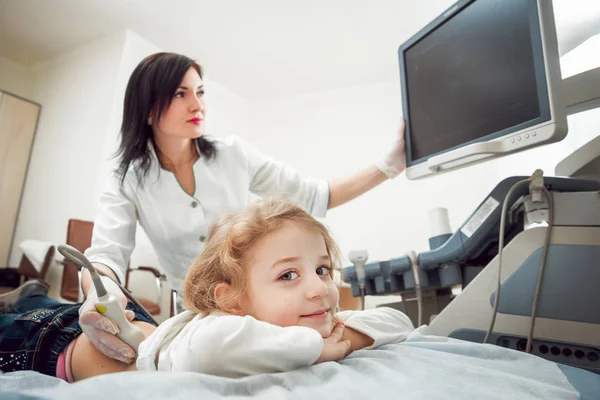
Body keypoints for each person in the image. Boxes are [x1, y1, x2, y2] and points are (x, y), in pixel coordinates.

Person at [81, 51, 408, 365]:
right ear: (149, 108)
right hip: (204, 314)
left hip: (262, 300)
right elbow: (106, 256)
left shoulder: (233, 155)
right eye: (181, 94)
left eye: (200, 91)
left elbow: (316, 195)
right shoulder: (127, 179)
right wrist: (101, 293)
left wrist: (390, 165)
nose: (198, 105)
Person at [0, 200, 413, 381]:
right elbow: (212, 350)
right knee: (17, 320)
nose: (320, 289)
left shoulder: (311, 320)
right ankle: (30, 297)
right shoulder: (218, 330)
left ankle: (33, 294)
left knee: (40, 301)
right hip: (52, 342)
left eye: (323, 269)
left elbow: (398, 320)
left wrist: (346, 336)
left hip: (144, 329)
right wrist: (321, 347)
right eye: (289, 275)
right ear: (231, 299)